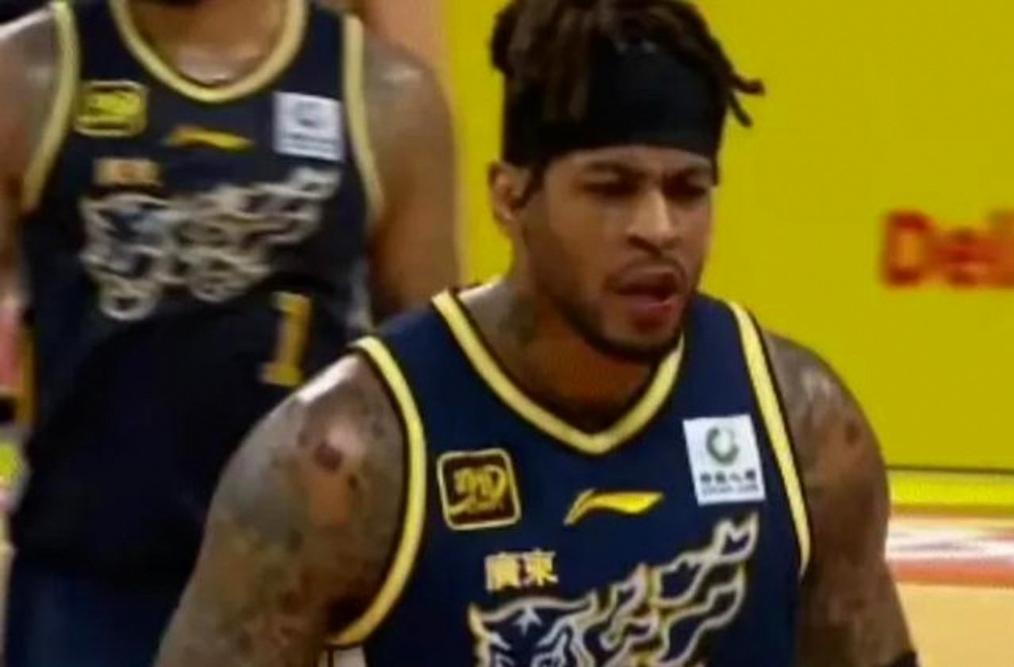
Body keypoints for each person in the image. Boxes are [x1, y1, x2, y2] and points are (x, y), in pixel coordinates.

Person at [157, 0, 919, 665]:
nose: (658, 228)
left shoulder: (805, 428)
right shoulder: (343, 459)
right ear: (509, 197)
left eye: (688, 190)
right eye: (612, 188)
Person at [0, 0, 457, 663]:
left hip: (297, 600)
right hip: (86, 588)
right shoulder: (27, 73)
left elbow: (435, 388)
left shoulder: (385, 95)